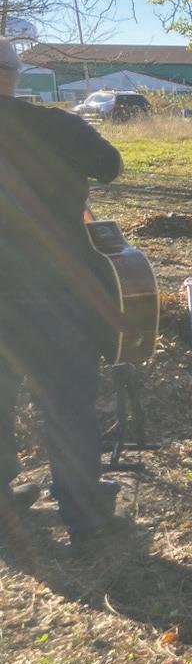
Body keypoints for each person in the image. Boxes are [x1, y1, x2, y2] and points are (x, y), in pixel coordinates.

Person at [0, 35, 131, 552]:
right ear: (14, 75)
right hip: (50, 290)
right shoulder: (55, 125)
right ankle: (84, 512)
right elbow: (111, 164)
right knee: (66, 400)